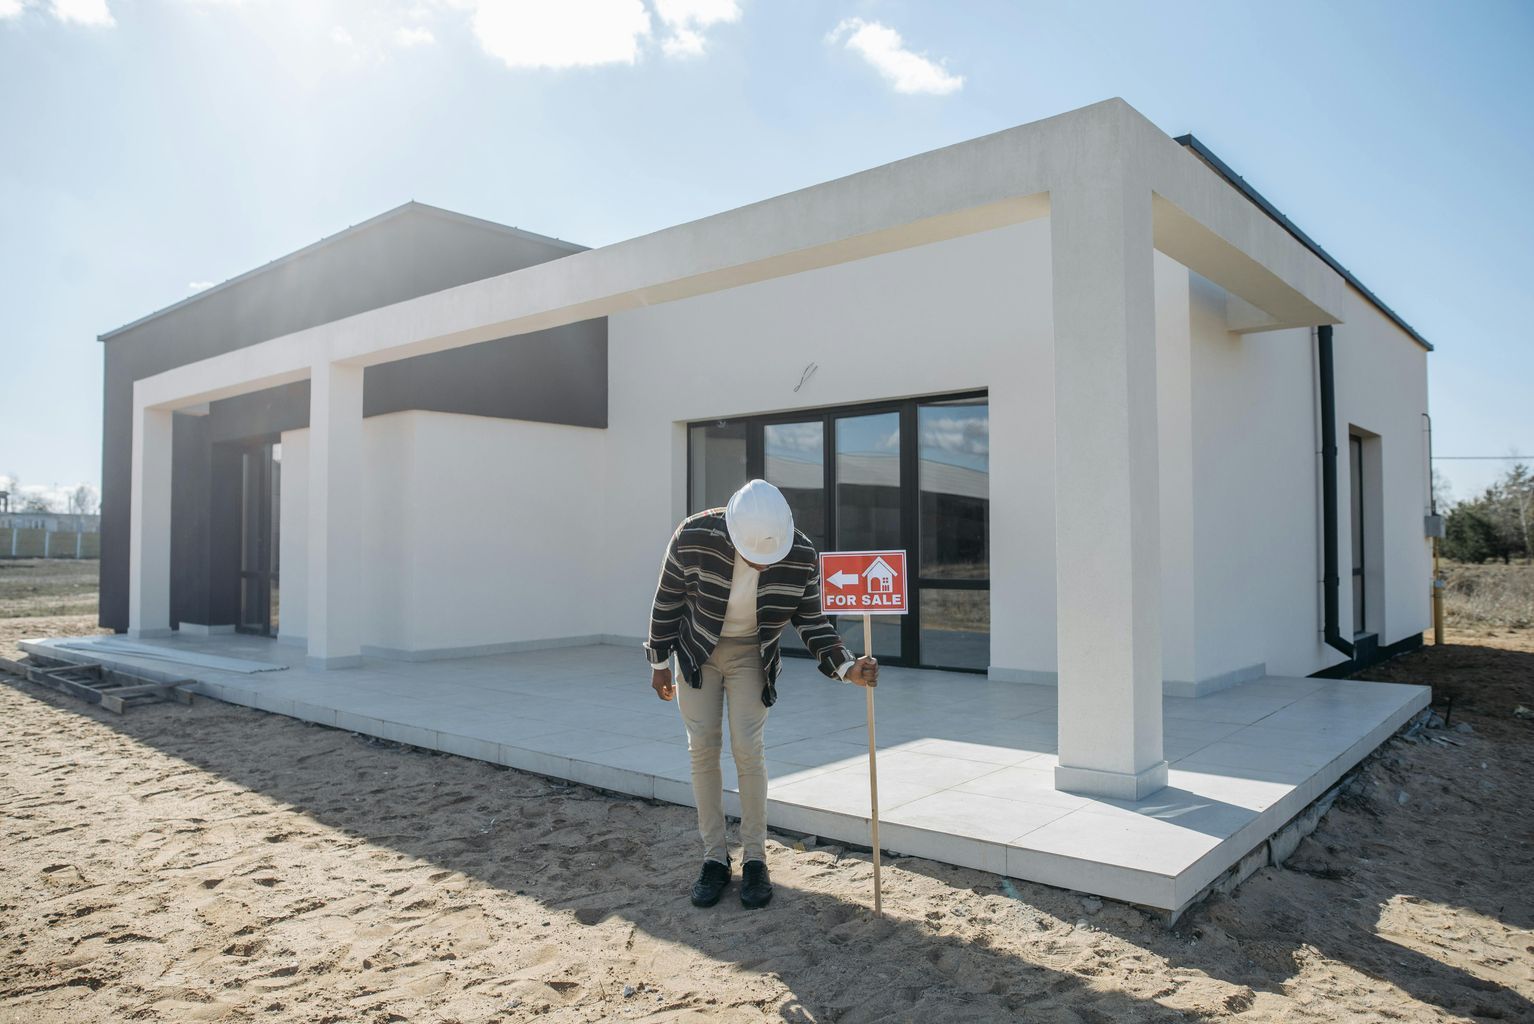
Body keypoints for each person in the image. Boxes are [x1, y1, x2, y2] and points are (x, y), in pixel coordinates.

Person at [645, 479, 879, 909]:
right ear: (732, 534)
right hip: (697, 649)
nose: (763, 566)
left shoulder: (802, 554)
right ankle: (714, 859)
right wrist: (659, 662)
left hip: (753, 651)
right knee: (703, 749)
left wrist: (846, 666)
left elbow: (812, 621)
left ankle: (755, 858)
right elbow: (668, 599)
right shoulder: (693, 535)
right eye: (754, 558)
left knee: (748, 748)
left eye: (769, 559)